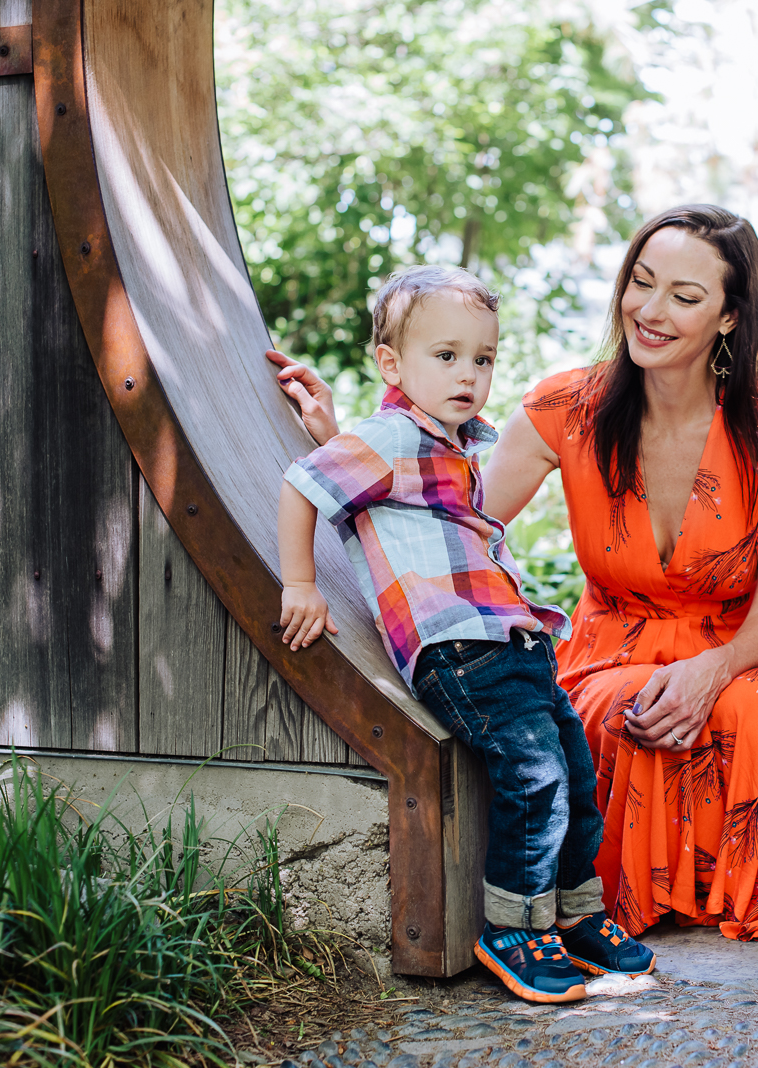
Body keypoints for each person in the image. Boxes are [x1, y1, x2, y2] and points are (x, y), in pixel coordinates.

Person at [276, 265, 654, 1004]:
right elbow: (305, 485)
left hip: (514, 644)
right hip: (459, 649)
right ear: (392, 364)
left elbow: (381, 492)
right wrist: (300, 584)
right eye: (445, 356)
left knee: (576, 776)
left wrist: (332, 432)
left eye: (481, 358)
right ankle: (513, 930)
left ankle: (575, 915)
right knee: (533, 778)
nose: (468, 374)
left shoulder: (449, 446)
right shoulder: (391, 436)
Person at [482, 205, 758, 940]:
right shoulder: (564, 406)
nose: (650, 309)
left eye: (685, 296)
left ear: (730, 318)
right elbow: (463, 519)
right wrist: (356, 451)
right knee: (629, 706)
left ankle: (732, 901)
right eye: (641, 282)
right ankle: (617, 902)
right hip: (611, 646)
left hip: (739, 647)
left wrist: (711, 670)